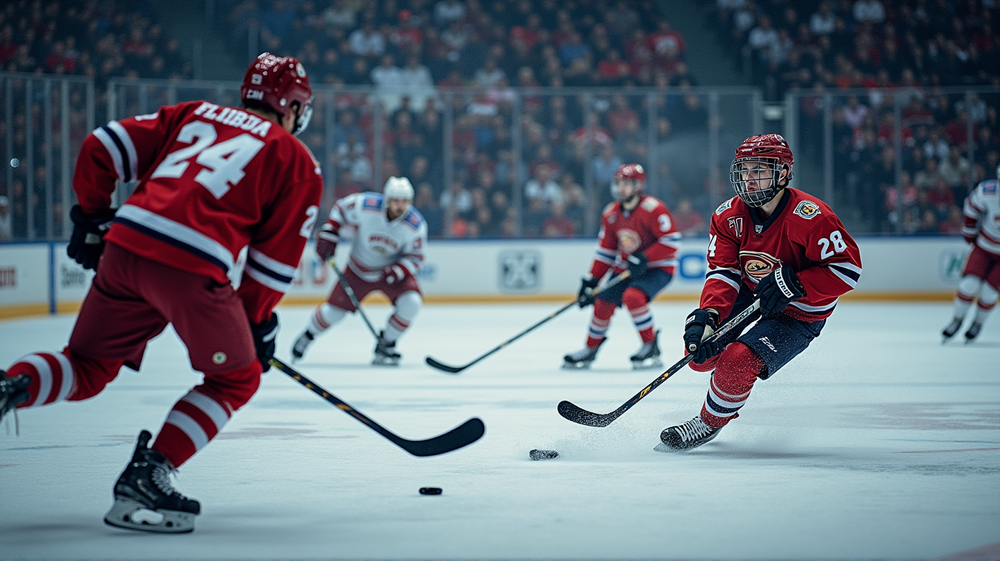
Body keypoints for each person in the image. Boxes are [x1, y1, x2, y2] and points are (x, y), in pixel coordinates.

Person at [0, 52, 321, 532]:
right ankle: (150, 473)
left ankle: (10, 386)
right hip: (192, 265)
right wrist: (255, 323)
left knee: (86, 366)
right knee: (237, 378)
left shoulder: (193, 113)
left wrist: (92, 218)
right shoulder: (295, 159)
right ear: (291, 106)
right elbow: (272, 267)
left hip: (126, 245)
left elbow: (100, 146)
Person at [658, 134, 862, 451]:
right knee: (699, 355)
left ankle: (708, 423)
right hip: (751, 294)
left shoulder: (811, 216)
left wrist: (798, 284)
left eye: (759, 170)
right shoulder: (728, 216)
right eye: (744, 170)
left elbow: (847, 269)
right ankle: (721, 377)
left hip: (800, 312)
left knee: (736, 361)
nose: (749, 179)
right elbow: (724, 272)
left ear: (782, 173)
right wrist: (709, 314)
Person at [291, 176, 427, 366]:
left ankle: (387, 344)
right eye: (396, 200)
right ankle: (307, 335)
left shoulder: (415, 225)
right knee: (333, 313)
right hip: (358, 271)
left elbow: (416, 257)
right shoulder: (367, 205)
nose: (401, 206)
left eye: (405, 201)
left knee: (412, 303)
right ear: (387, 199)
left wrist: (397, 271)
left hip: (389, 274)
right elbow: (340, 208)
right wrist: (331, 231)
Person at [563, 163, 680, 369]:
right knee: (602, 301)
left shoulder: (653, 209)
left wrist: (645, 258)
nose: (621, 188)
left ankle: (649, 344)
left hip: (657, 269)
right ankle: (590, 349)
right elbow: (606, 251)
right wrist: (592, 280)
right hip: (627, 269)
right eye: (619, 183)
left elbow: (671, 242)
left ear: (638, 185)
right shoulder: (611, 213)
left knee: (633, 297)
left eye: (627, 183)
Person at [941, 163, 1000, 343]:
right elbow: (971, 206)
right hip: (983, 246)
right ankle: (956, 320)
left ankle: (977, 323)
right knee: (968, 285)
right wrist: (969, 230)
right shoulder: (988, 191)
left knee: (989, 293)